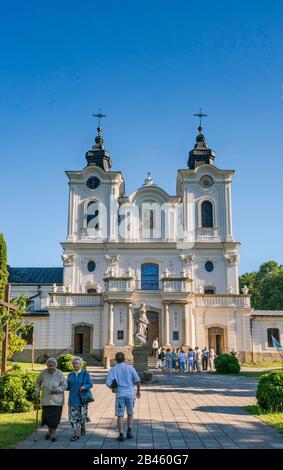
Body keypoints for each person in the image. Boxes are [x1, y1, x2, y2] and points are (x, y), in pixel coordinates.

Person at [106, 352, 141, 442]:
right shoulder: (130, 368)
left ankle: (121, 434)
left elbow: (108, 383)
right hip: (130, 394)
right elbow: (137, 380)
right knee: (130, 413)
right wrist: (138, 391)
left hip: (120, 394)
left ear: (116, 359)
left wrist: (113, 388)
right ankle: (129, 431)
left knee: (120, 414)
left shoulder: (113, 370)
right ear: (124, 359)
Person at [35, 357, 67, 442]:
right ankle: (50, 431)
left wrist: (57, 390)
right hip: (46, 399)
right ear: (47, 366)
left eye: (53, 366)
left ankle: (53, 433)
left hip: (57, 400)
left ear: (56, 366)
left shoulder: (59, 373)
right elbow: (37, 383)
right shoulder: (43, 373)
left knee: (55, 418)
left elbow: (65, 385)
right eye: (49, 366)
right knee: (47, 417)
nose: (51, 367)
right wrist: (37, 391)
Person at [67, 356, 93, 441]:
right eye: (74, 364)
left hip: (82, 400)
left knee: (82, 416)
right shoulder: (70, 375)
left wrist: (85, 386)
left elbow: (90, 384)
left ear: (81, 365)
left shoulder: (86, 374)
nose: (75, 365)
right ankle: (76, 434)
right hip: (72, 400)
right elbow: (67, 387)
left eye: (77, 363)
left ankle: (83, 427)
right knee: (73, 418)